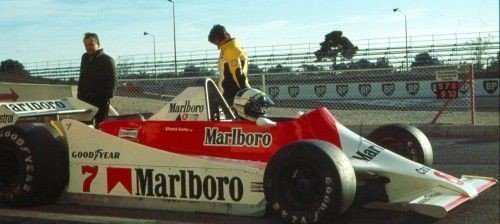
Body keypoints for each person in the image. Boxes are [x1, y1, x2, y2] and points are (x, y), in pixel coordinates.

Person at [77, 32, 117, 127]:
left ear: (98, 44)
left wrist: (106, 97)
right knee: (85, 126)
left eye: (91, 44)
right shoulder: (85, 58)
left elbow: (113, 80)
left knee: (101, 126)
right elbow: (82, 77)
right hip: (85, 99)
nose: (88, 47)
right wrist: (80, 95)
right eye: (86, 45)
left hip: (101, 101)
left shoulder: (107, 60)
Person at [208, 24, 250, 106]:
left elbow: (238, 73)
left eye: (216, 42)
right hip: (230, 92)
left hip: (233, 94)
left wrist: (245, 92)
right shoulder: (228, 48)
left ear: (225, 37)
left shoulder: (231, 49)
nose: (217, 45)